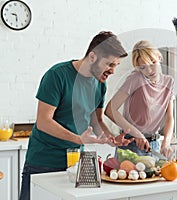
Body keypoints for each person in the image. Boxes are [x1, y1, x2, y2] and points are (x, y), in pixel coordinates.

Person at [19, 31, 134, 200]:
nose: (113, 71)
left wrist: (110, 138)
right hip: (43, 163)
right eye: (110, 64)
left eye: (116, 65)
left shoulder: (100, 84)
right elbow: (44, 121)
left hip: (75, 166)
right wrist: (79, 139)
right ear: (92, 57)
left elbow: (97, 121)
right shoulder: (57, 75)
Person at [105, 40, 175, 160]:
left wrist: (166, 143)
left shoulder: (169, 82)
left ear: (159, 58)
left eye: (152, 63)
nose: (149, 71)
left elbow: (169, 117)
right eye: (143, 67)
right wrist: (136, 133)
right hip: (131, 144)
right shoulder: (136, 79)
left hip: (154, 145)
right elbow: (110, 110)